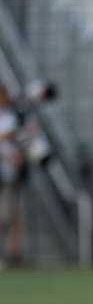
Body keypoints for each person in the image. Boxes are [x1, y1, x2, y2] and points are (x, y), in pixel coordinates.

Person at [0, 82, 23, 268]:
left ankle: (9, 255)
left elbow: (16, 139)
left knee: (8, 215)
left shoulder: (10, 116)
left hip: (8, 173)